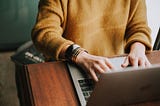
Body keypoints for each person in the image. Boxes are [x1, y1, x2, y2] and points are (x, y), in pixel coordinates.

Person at [32, 0, 152, 82]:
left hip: (113, 69)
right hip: (70, 66)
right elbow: (44, 33)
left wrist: (138, 47)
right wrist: (78, 55)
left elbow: (139, 27)